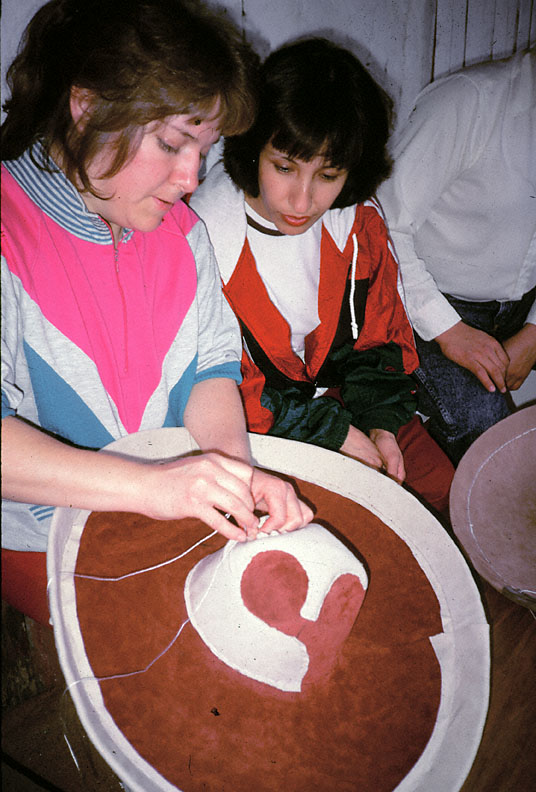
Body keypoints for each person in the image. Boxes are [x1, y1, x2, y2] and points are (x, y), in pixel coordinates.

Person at [1, 0, 313, 626]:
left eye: (204, 149)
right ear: (86, 107)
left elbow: (210, 369)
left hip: (168, 509)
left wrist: (234, 474)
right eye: (172, 144)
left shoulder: (182, 233)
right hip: (46, 535)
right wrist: (155, 487)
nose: (191, 177)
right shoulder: (9, 234)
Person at [190, 37, 455, 516]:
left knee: (445, 494)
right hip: (260, 425)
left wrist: (380, 425)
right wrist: (333, 434)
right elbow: (219, 386)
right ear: (253, 150)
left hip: (344, 403)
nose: (302, 201)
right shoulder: (201, 238)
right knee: (328, 520)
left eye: (328, 176)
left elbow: (381, 340)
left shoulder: (358, 224)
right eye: (285, 168)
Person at [377, 49, 536, 464]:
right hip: (430, 304)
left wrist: (535, 333)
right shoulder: (469, 101)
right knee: (492, 438)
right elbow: (382, 224)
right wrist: (449, 330)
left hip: (525, 305)